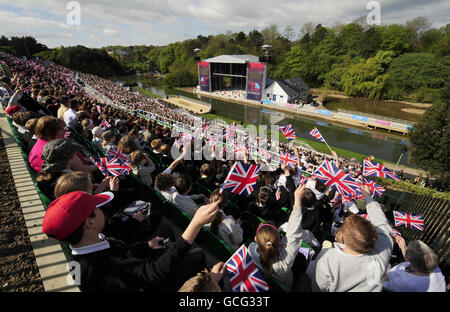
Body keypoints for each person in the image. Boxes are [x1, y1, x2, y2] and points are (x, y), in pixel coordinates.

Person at [41, 191, 222, 292]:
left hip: (133, 274)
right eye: (98, 208)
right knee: (198, 255)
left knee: (166, 234)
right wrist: (195, 224)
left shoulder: (81, 250)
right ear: (89, 223)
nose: (103, 210)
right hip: (147, 285)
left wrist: (143, 247)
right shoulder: (101, 267)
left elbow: (117, 253)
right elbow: (155, 272)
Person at [306, 185, 394, 292]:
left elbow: (318, 288)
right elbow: (382, 224)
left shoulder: (328, 257)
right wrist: (368, 197)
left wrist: (368, 197)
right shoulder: (381, 256)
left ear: (342, 236)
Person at [248, 184, 310, 290]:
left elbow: (293, 237)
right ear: (279, 242)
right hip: (284, 285)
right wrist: (297, 201)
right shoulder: (285, 261)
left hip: (262, 284)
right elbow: (293, 236)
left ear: (255, 239)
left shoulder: (250, 251)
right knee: (301, 259)